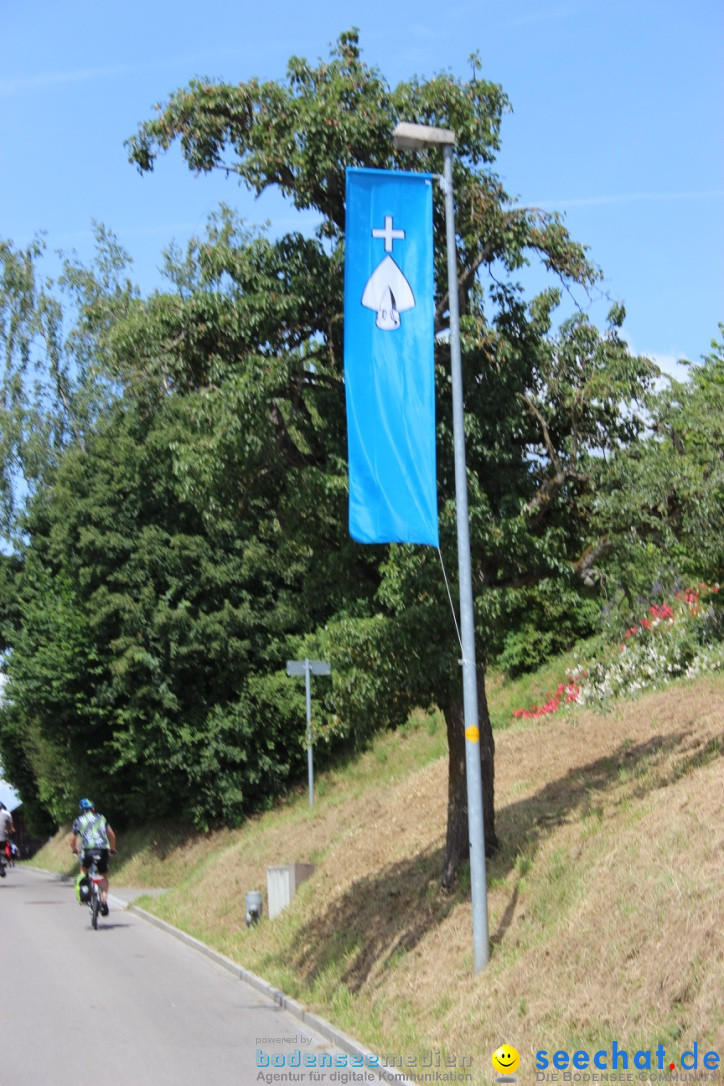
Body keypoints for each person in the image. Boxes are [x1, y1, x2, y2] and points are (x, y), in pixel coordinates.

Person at [69, 798, 117, 914]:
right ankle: (104, 901)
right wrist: (112, 848)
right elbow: (112, 836)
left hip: (87, 851)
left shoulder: (78, 821)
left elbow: (72, 839)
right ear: (93, 808)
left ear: (81, 810)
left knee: (83, 871)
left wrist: (75, 850)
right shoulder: (101, 818)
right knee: (104, 876)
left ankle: (87, 893)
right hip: (102, 851)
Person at [0, 802, 15, 877]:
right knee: (4, 849)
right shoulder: (7, 814)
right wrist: (10, 831)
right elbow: (11, 828)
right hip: (2, 839)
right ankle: (3, 865)